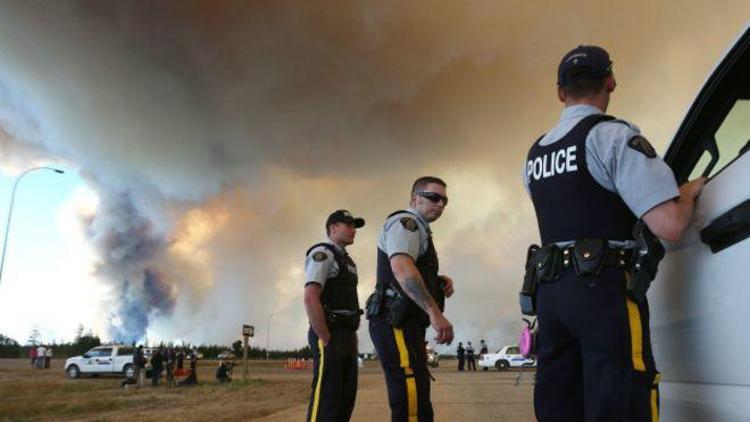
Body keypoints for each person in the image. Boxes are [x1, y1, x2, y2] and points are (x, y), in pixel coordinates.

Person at [524, 45, 706, 421]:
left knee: (561, 400)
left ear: (560, 92)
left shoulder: (536, 154)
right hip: (603, 289)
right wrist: (687, 193)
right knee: (621, 396)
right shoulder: (612, 137)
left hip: (550, 293)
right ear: (611, 81)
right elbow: (669, 225)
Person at [367, 176, 455, 422]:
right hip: (395, 319)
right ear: (415, 198)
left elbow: (410, 268)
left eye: (445, 200)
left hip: (406, 320)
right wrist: (435, 314)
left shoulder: (419, 229)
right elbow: (402, 268)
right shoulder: (406, 223)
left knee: (417, 391)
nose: (440, 204)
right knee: (409, 397)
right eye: (434, 197)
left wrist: (436, 280)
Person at [303, 210, 365, 422]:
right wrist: (324, 336)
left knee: (344, 401)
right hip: (331, 333)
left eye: (354, 226)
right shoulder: (323, 254)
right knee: (326, 402)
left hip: (346, 335)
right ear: (332, 228)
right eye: (348, 225)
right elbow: (311, 297)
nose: (353, 230)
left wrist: (352, 335)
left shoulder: (346, 259)